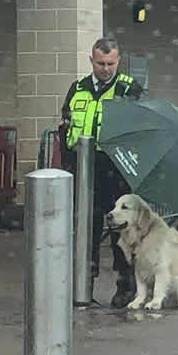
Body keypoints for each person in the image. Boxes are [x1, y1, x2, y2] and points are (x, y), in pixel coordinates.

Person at [60, 36, 145, 308]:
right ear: (91, 61)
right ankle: (83, 285)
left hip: (116, 169)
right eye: (100, 63)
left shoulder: (129, 89)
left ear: (118, 61)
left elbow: (140, 129)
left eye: (110, 63)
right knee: (86, 228)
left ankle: (125, 286)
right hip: (84, 168)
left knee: (122, 229)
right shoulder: (78, 88)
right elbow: (66, 125)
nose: (105, 69)